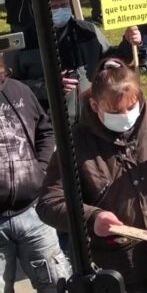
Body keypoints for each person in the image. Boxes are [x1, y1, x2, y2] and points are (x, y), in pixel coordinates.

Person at [36, 57, 147, 293]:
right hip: (124, 270)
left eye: (131, 107)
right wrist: (92, 217)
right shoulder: (76, 143)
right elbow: (48, 202)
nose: (127, 115)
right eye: (115, 111)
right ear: (96, 106)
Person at [5, 0, 138, 121]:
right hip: (49, 123)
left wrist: (128, 43)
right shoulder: (23, 42)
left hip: (90, 117)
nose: (61, 10)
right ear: (37, 8)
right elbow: (10, 87)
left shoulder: (87, 31)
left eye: (64, 5)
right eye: (54, 7)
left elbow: (112, 60)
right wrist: (47, 87)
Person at [0, 56, 71, 292]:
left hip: (35, 214)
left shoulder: (18, 90)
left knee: (57, 284)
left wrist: (40, 168)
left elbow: (45, 130)